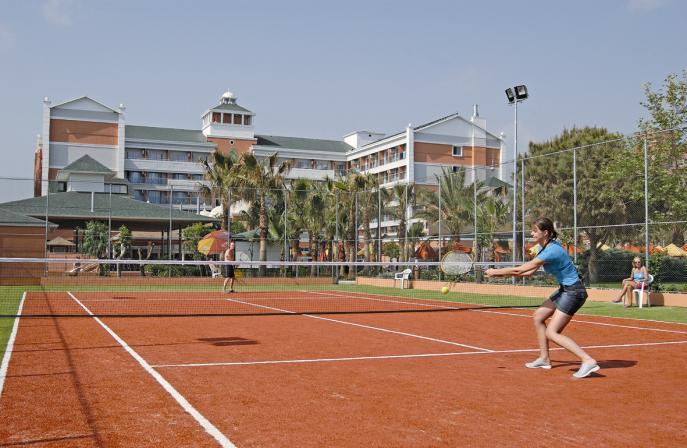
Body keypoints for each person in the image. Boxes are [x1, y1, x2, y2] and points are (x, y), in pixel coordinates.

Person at [485, 217, 600, 379]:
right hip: (565, 289)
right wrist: (499, 276)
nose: (531, 233)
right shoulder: (544, 247)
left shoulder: (552, 250)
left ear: (545, 232)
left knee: (552, 333)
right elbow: (529, 272)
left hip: (574, 292)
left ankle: (588, 360)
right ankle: (545, 358)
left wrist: (495, 271)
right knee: (538, 316)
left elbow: (520, 270)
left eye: (535, 231)